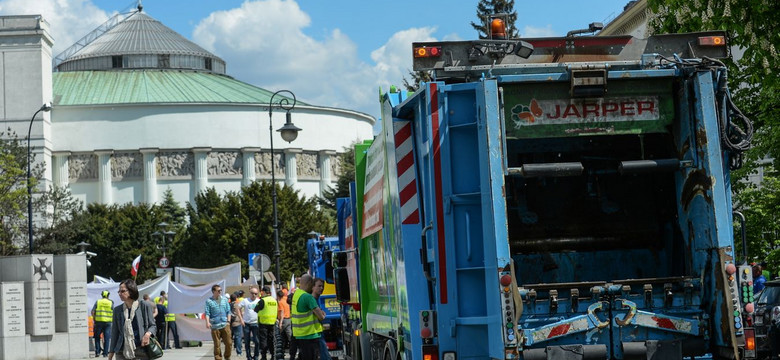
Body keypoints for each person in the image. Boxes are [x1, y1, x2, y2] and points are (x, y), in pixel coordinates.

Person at [107, 279, 156, 360]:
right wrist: (111, 353)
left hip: (141, 350)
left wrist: (147, 334)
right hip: (122, 351)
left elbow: (153, 326)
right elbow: (115, 333)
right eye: (119, 291)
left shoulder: (144, 306)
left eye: (122, 291)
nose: (120, 294)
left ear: (131, 291)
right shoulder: (117, 310)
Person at [292, 275, 326, 360]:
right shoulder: (308, 297)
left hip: (300, 335)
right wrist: (322, 314)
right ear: (310, 283)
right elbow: (321, 316)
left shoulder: (297, 295)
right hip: (310, 335)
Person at [205, 284, 232, 360]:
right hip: (215, 326)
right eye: (218, 290)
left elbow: (228, 311)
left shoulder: (224, 300)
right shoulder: (209, 301)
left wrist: (228, 321)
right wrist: (207, 322)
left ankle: (227, 357)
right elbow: (207, 313)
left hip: (225, 324)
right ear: (213, 291)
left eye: (221, 290)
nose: (220, 292)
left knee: (229, 343)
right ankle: (218, 358)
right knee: (217, 345)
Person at [254, 286, 280, 360]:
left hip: (263, 323)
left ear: (265, 292)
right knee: (271, 340)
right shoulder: (274, 300)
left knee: (263, 340)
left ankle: (264, 356)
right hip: (272, 323)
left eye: (262, 292)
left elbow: (256, 309)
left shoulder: (263, 300)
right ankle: (272, 355)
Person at [311, 278, 331, 360]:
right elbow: (321, 317)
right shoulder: (312, 300)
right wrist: (321, 313)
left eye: (323, 286)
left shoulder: (316, 299)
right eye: (319, 286)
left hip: (317, 333)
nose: (321, 288)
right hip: (314, 334)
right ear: (313, 287)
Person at [241, 286, 261, 360]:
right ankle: (248, 356)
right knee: (247, 341)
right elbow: (237, 307)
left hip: (255, 323)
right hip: (246, 323)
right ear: (250, 293)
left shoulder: (259, 301)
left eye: (256, 294)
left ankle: (256, 356)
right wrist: (241, 319)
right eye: (252, 293)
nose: (254, 295)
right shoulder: (245, 300)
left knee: (257, 341)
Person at [92, 290, 113, 358]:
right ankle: (105, 353)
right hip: (108, 323)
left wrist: (94, 319)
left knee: (97, 337)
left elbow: (93, 311)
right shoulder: (111, 302)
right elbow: (113, 311)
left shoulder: (98, 302)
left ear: (102, 295)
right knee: (107, 338)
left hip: (98, 322)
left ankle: (97, 352)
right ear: (108, 295)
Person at [278, 289, 292, 356]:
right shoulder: (286, 300)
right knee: (289, 335)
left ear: (278, 296)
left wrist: (280, 323)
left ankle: (281, 352)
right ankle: (292, 349)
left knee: (281, 337)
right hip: (289, 319)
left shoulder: (280, 302)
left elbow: (282, 312)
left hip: (284, 320)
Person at [229, 293, 244, 357]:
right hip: (237, 322)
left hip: (230, 323)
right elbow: (242, 313)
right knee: (238, 337)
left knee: (230, 337)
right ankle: (239, 352)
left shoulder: (228, 305)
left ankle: (229, 350)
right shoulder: (238, 305)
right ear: (236, 298)